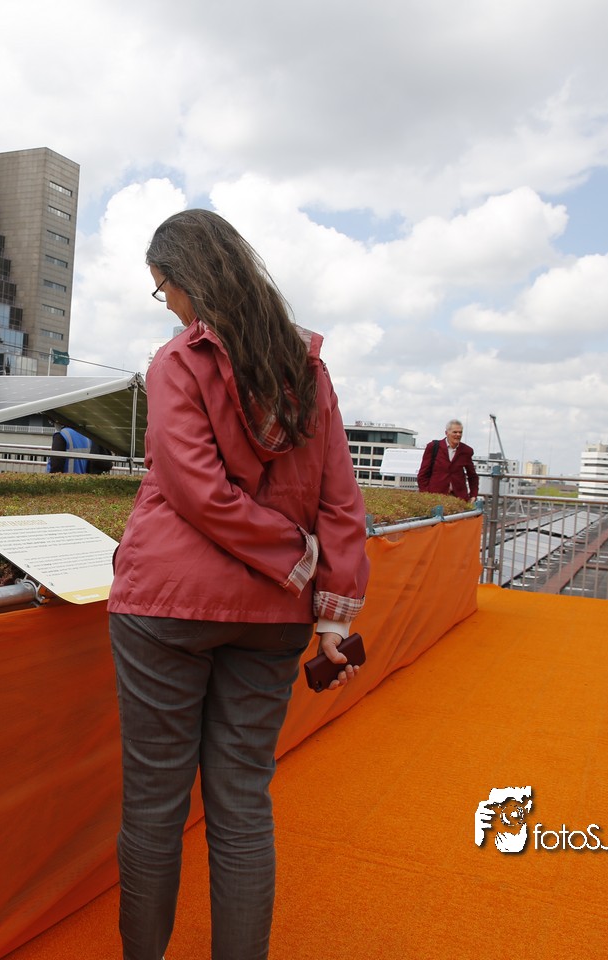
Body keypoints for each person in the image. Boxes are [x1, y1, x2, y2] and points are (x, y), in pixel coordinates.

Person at [108, 209, 369, 960]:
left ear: (187, 279)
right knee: (244, 807)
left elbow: (197, 492)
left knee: (154, 806)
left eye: (164, 289)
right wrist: (329, 608)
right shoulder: (309, 369)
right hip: (273, 620)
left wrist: (290, 556)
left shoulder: (177, 362)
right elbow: (341, 499)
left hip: (166, 605)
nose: (169, 305)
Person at [416, 419, 479, 500]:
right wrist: (425, 494)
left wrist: (473, 495)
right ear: (446, 433)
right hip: (435, 496)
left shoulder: (466, 451)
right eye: (455, 432)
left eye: (460, 432)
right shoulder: (433, 447)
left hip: (458, 497)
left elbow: (472, 475)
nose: (458, 435)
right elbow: (423, 474)